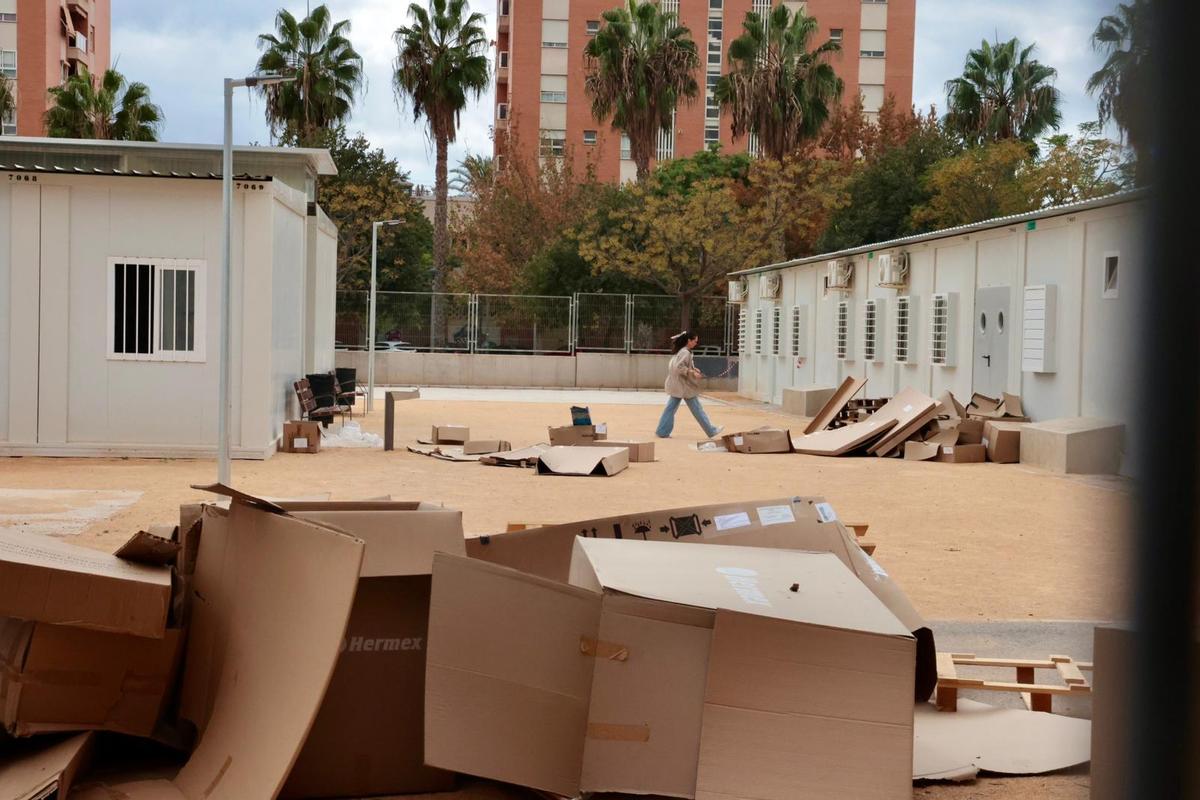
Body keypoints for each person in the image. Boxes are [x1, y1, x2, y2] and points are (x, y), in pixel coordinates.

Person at [656, 331, 723, 439]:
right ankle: (710, 430)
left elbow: (679, 366)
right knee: (697, 409)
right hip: (683, 386)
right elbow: (679, 367)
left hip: (678, 385)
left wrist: (693, 369)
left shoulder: (682, 351)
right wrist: (692, 372)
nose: (696, 343)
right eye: (695, 341)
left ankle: (662, 431)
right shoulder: (685, 352)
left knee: (671, 409)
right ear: (689, 341)